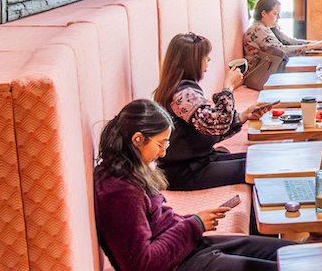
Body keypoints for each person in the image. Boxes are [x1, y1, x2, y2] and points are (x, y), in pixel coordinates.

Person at [94, 99, 293, 271]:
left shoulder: (129, 171)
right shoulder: (118, 192)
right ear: (137, 139)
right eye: (160, 144)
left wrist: (193, 221)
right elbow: (143, 264)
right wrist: (195, 224)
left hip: (183, 251)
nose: (163, 153)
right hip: (176, 264)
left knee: (287, 253)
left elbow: (158, 224)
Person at [153, 33, 270, 192]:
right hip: (184, 172)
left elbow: (209, 127)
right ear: (191, 61)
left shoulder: (178, 88)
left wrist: (244, 116)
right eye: (204, 56)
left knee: (261, 158)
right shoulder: (183, 95)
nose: (208, 60)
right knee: (260, 166)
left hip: (197, 161)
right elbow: (216, 125)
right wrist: (228, 86)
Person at [242, 0, 322, 89]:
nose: (279, 17)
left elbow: (291, 41)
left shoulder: (264, 28)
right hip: (260, 76)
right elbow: (282, 51)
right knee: (311, 71)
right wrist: (313, 46)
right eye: (275, 14)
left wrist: (315, 43)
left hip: (269, 70)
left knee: (310, 68)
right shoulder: (258, 30)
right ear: (264, 13)